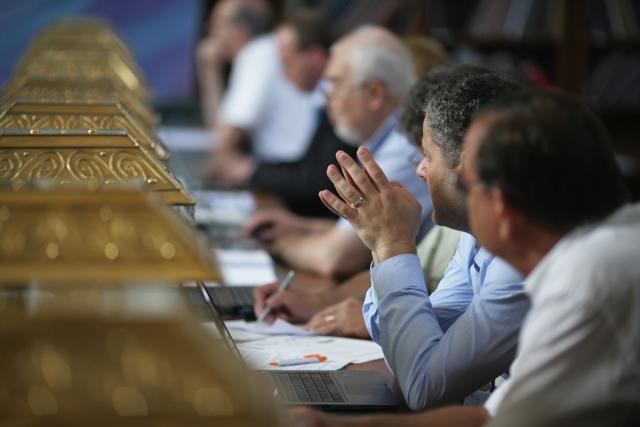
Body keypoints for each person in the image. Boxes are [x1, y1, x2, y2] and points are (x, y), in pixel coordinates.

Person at [296, 90, 638, 426]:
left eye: (467, 187)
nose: (422, 174)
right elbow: (487, 414)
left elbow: (427, 387)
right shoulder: (591, 252)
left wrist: (391, 244)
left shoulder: (587, 277)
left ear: (501, 208)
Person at [254, 66, 467, 337]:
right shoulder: (466, 236)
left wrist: (391, 245)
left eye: (426, 156)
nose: (419, 171)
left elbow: (432, 374)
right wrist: (321, 301)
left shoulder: (484, 241)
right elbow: (425, 286)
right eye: (418, 157)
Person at [245, 25, 432, 279]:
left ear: (374, 93)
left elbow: (335, 257)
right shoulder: (389, 139)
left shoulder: (402, 149)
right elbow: (367, 231)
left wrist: (277, 243)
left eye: (336, 85)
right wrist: (300, 225)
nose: (326, 98)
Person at [214, 10, 358, 218]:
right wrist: (255, 170)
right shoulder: (321, 97)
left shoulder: (338, 99)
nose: (283, 73)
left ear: (316, 57)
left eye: (287, 62)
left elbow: (318, 180)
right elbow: (311, 167)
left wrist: (253, 171)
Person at [197, 0, 315, 179]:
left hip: (290, 174)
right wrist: (210, 68)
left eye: (217, 26)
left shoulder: (257, 55)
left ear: (240, 31)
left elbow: (223, 139)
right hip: (288, 169)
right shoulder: (262, 51)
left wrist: (209, 69)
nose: (210, 33)